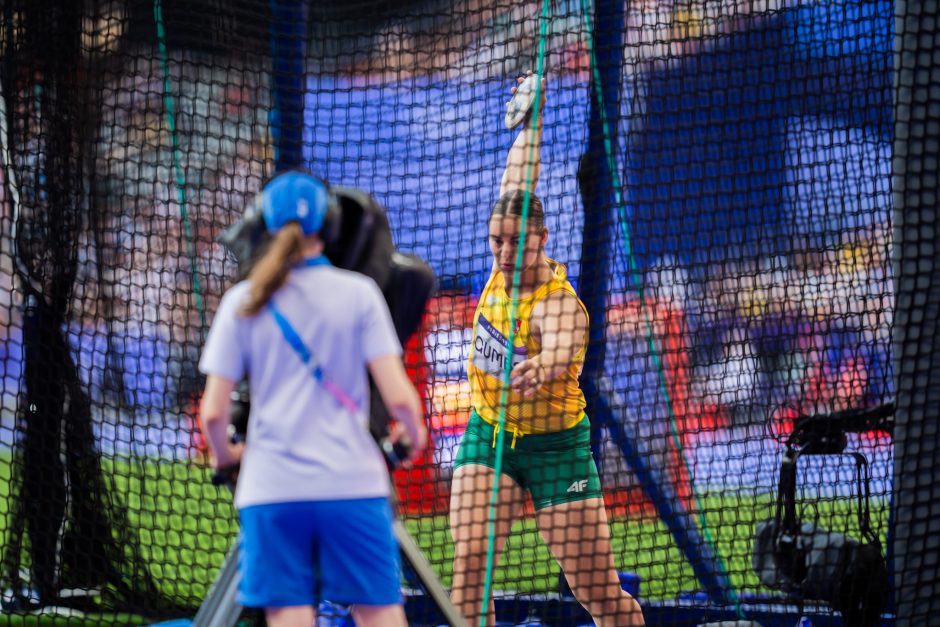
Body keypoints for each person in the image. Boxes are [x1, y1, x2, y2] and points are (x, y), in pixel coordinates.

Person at [449, 73, 645, 626]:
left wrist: (543, 364)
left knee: (599, 596)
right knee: (468, 567)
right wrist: (532, 120)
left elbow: (561, 346)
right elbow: (519, 176)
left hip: (557, 448)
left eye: (517, 241)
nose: (506, 251)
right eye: (497, 241)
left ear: (544, 238)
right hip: (490, 433)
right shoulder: (499, 267)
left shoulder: (556, 302)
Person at [198, 171, 427, 627]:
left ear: (262, 224)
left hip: (271, 491)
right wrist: (413, 437)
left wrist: (229, 456)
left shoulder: (242, 301)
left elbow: (213, 414)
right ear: (331, 226)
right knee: (381, 617)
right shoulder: (359, 294)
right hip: (352, 487)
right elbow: (399, 397)